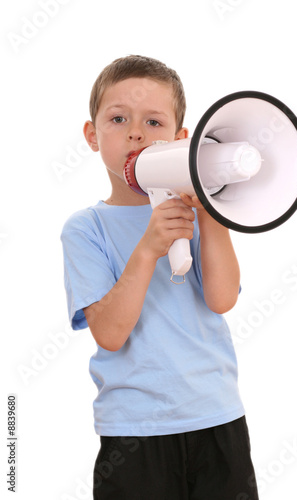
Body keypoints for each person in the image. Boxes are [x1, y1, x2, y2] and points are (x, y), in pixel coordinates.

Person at [61, 54, 259, 499]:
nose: (136, 131)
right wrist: (149, 248)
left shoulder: (197, 213)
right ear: (92, 136)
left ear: (181, 139)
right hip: (134, 432)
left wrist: (213, 220)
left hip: (217, 418)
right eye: (118, 118)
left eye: (154, 122)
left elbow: (222, 298)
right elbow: (110, 333)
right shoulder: (85, 228)